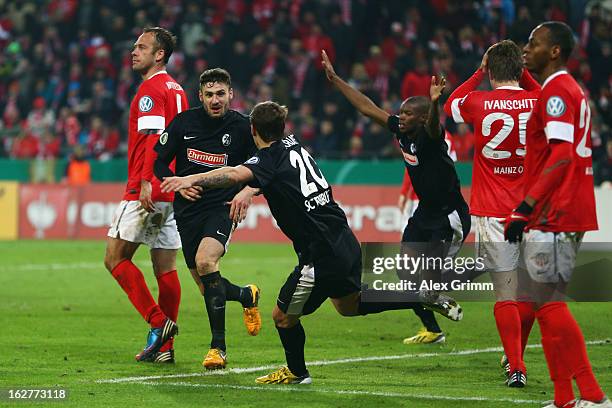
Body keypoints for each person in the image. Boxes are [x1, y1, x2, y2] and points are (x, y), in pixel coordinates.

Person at [160, 101, 462, 385]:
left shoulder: (268, 157)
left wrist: (190, 179)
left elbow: (233, 173)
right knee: (348, 305)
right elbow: (276, 178)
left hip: (318, 252)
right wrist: (250, 191)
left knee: (282, 317)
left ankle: (296, 371)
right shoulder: (293, 145)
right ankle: (417, 294)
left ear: (253, 131)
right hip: (342, 237)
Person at [321, 50, 469, 344]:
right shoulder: (401, 130)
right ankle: (433, 329)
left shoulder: (430, 137)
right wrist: (336, 79)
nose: (401, 118)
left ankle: (472, 273)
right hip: (425, 213)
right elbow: (367, 107)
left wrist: (436, 102)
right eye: (400, 113)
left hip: (450, 216)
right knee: (405, 272)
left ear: (423, 117)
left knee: (431, 274)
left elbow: (434, 127)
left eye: (408, 114)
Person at [506, 21, 610, 407]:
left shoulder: (556, 93)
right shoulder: (567, 89)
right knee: (543, 303)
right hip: (565, 208)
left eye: (534, 43)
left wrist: (526, 206)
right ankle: (569, 397)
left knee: (546, 302)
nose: (526, 49)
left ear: (554, 52)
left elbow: (562, 153)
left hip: (556, 210)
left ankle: (589, 395)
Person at [443, 40, 541, 387]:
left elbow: (450, 105)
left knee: (506, 292)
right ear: (519, 69)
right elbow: (543, 93)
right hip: (533, 209)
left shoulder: (478, 101)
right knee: (529, 292)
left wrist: (478, 72)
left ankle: (516, 366)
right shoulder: (537, 99)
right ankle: (516, 356)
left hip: (493, 210)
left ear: (490, 70)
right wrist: (523, 72)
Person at [153, 68, 261, 370]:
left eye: (221, 94)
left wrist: (249, 191)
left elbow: (265, 167)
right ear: (200, 96)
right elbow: (159, 161)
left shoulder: (243, 127)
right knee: (206, 285)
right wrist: (174, 181)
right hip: (187, 211)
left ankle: (218, 348)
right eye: (210, 94)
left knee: (205, 262)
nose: (216, 100)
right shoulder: (184, 123)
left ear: (231, 95)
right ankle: (245, 294)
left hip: (222, 207)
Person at [103, 27, 187, 363]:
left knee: (114, 259)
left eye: (142, 47)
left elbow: (154, 138)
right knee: (165, 267)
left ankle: (159, 324)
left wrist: (148, 181)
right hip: (171, 190)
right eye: (134, 46)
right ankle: (164, 350)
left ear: (159, 55)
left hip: (148, 187)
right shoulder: (177, 89)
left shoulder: (151, 89)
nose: (133, 52)